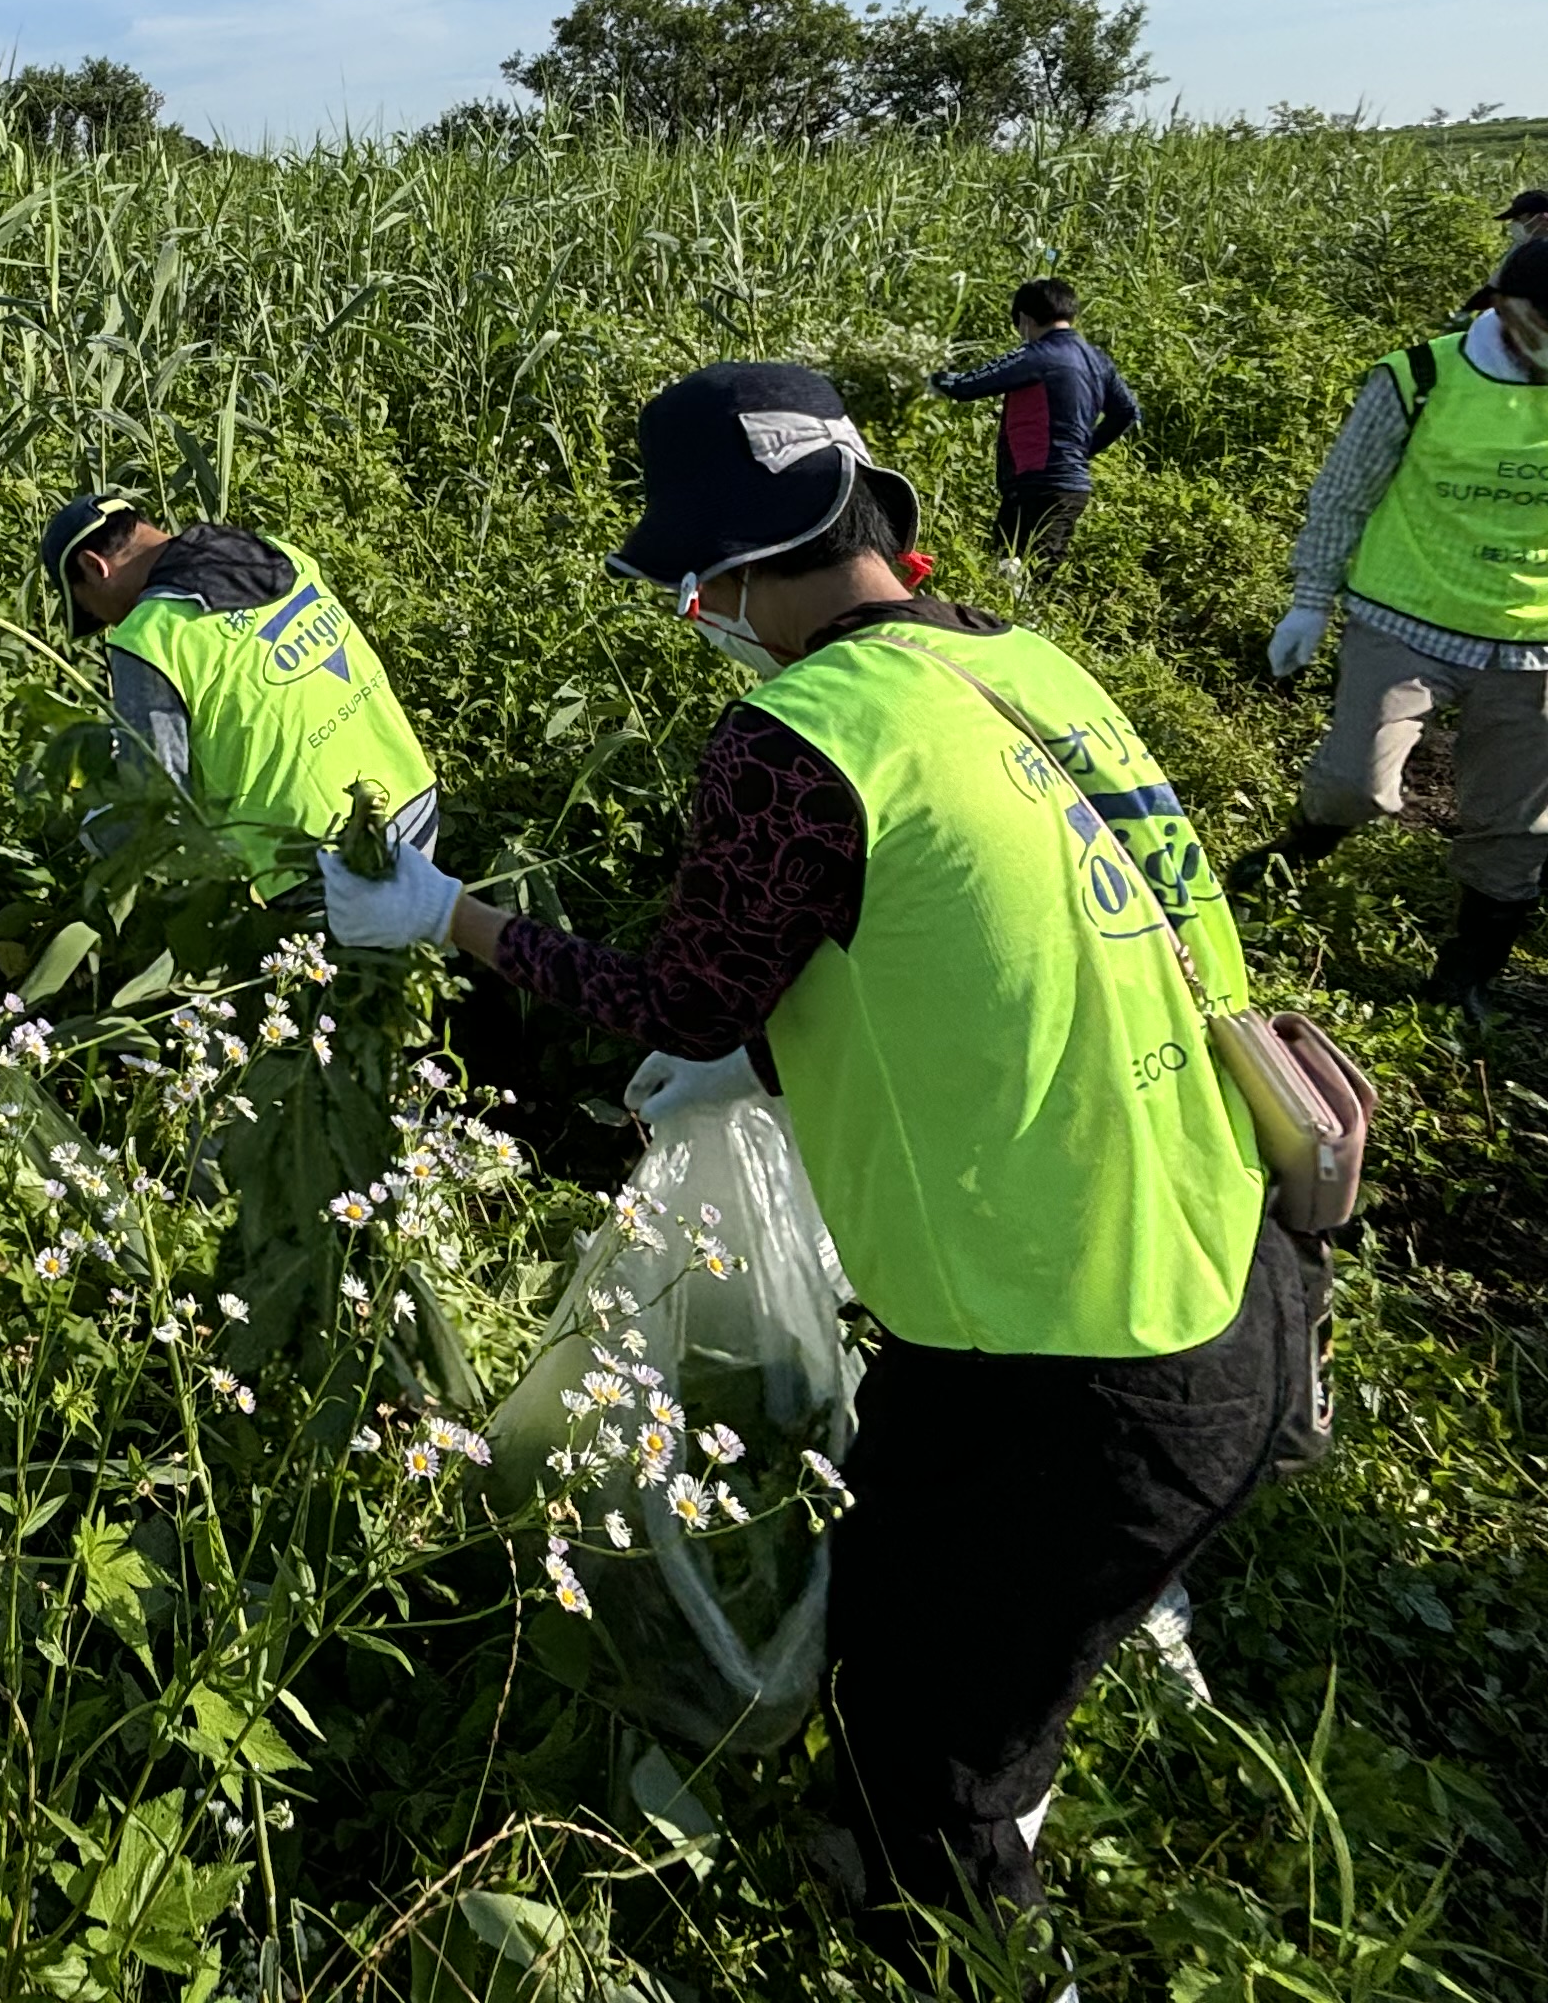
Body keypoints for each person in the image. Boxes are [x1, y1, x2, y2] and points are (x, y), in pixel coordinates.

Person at [312, 366, 1289, 1969]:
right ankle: (937, 1829)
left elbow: (683, 993)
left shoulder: (802, 739)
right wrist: (767, 1057)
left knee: (928, 1741)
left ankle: (953, 1939)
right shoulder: (1022, 667)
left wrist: (452, 918)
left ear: (751, 564)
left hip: (1069, 1344)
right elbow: (970, 934)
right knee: (943, 1628)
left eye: (704, 583)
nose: (706, 616)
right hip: (1223, 1261)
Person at [1255, 234, 1548, 1018]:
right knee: (1354, 781)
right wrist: (1311, 599)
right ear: (1514, 313)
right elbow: (1344, 494)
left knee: (1515, 826)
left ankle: (1470, 971)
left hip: (1546, 642)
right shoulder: (1419, 377)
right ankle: (1301, 848)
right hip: (1405, 618)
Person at [38, 494, 438, 872]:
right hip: (414, 802)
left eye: (92, 609)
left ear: (95, 566)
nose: (110, 623)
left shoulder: (147, 636)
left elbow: (159, 805)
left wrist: (97, 831)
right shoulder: (274, 551)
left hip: (317, 859)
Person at [926, 277, 1141, 569]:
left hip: (1035, 485)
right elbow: (1126, 411)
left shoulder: (1036, 355)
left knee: (1014, 575)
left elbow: (967, 386)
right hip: (1071, 486)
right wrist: (1083, 450)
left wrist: (926, 376)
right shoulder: (1098, 360)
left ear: (1025, 319)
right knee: (1027, 572)